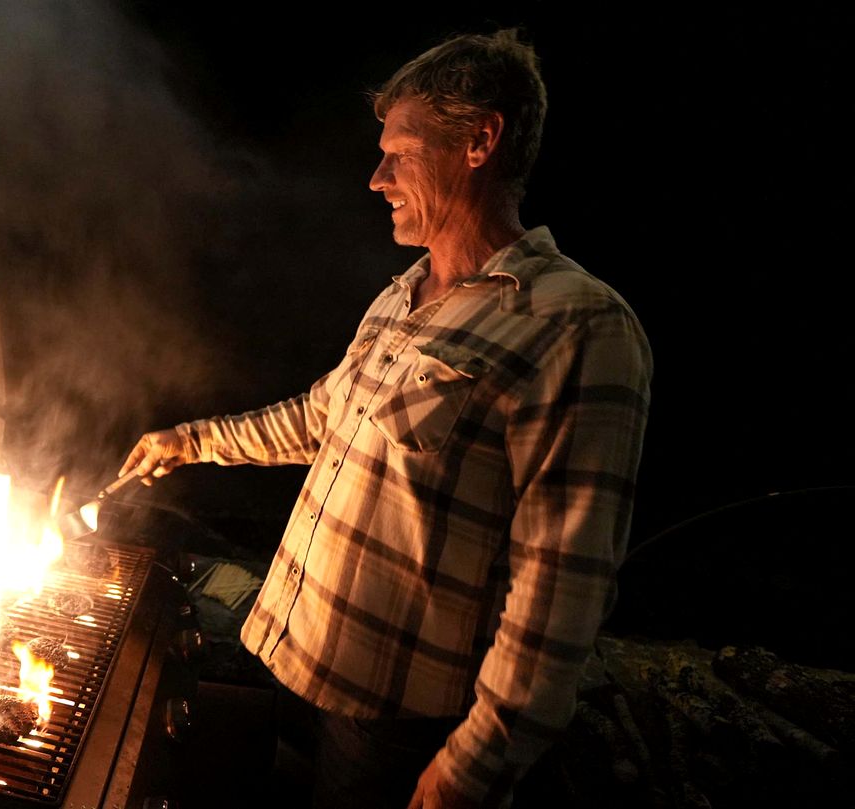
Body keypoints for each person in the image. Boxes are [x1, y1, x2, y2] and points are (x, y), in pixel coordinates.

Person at [122, 29, 652, 809]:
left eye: (398, 153)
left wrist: (475, 763)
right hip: (295, 660)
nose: (376, 178)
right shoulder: (401, 295)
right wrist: (190, 440)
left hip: (395, 726)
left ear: (480, 140)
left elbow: (561, 589)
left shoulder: (577, 326)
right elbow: (318, 418)